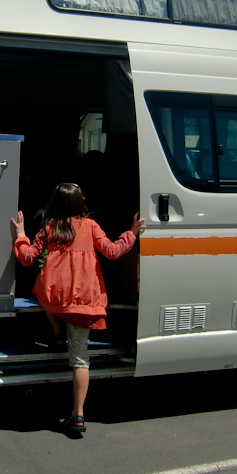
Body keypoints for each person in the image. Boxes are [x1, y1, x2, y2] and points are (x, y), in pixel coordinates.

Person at [11, 182, 144, 434]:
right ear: (80, 204)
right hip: (84, 302)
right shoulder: (90, 227)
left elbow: (28, 257)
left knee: (41, 293)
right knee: (81, 359)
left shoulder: (49, 227)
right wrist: (132, 232)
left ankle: (58, 334)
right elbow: (113, 252)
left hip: (56, 298)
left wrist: (20, 234)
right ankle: (78, 414)